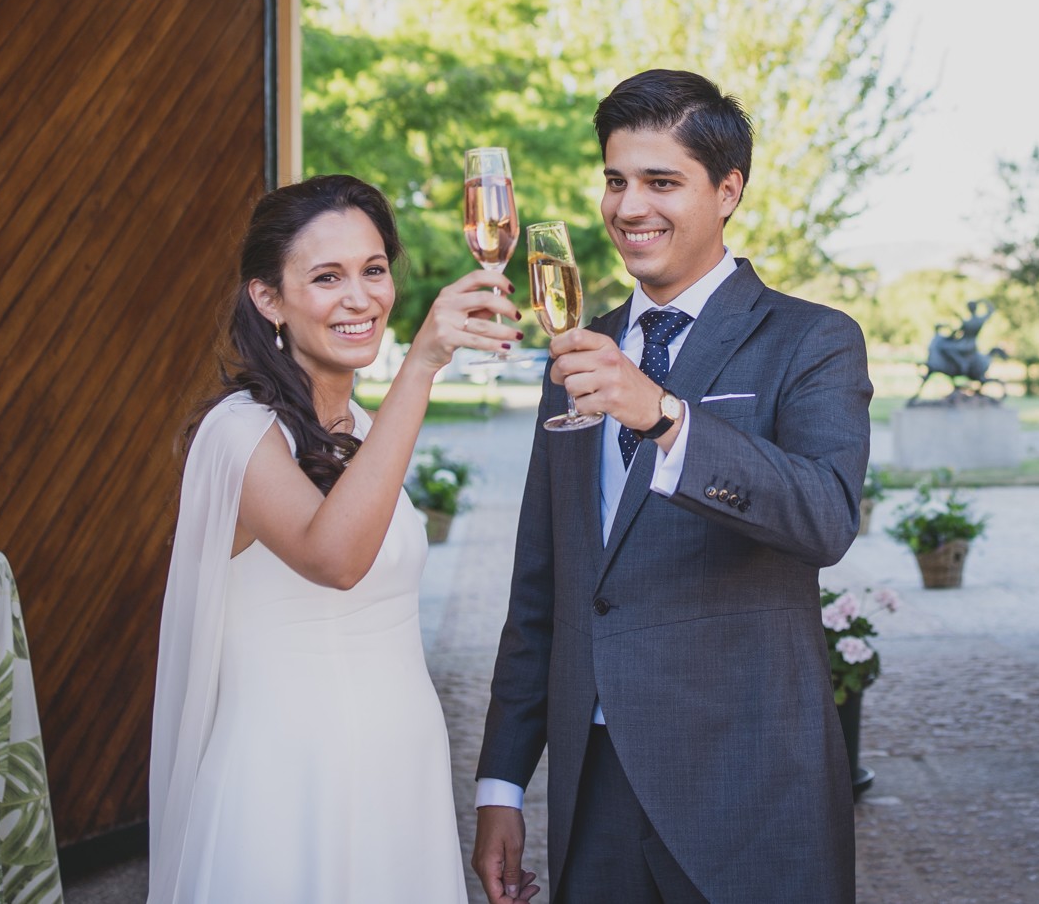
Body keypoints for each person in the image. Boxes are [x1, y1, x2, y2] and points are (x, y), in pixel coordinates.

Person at [471, 70, 872, 904]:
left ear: (727, 190)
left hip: (749, 783)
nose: (628, 206)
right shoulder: (579, 350)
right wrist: (502, 784)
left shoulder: (814, 340)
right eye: (616, 180)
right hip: (596, 785)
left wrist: (665, 416)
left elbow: (825, 516)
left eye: (661, 181)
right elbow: (543, 583)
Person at [150, 174, 530, 904]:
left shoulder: (357, 429)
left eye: (373, 269)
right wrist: (420, 365)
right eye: (327, 276)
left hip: (398, 765)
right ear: (269, 298)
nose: (360, 298)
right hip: (290, 780)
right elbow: (336, 557)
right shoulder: (239, 433)